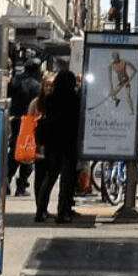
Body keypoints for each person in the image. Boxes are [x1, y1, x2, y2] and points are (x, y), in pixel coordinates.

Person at [35, 69, 81, 223]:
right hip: (69, 141)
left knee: (50, 176)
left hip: (52, 142)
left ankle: (40, 211)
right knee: (67, 179)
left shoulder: (50, 99)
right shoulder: (75, 98)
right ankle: (63, 212)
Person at [6, 58, 42, 196]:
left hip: (15, 119)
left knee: (15, 150)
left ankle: (6, 179)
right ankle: (21, 186)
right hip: (31, 121)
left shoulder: (15, 81)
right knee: (28, 152)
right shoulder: (37, 84)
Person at [28, 72, 56, 221]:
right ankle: (40, 209)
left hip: (51, 143)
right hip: (39, 143)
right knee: (40, 175)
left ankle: (43, 207)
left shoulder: (56, 102)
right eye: (47, 85)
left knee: (49, 175)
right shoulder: (36, 102)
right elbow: (28, 121)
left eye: (51, 85)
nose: (49, 88)